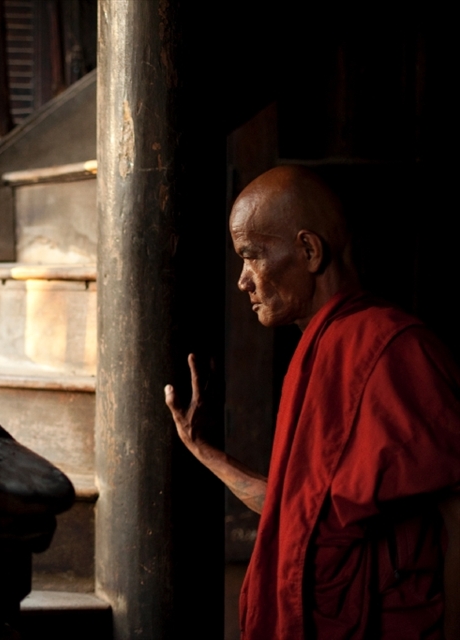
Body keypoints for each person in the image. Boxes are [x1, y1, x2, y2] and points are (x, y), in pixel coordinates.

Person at [165, 166, 460, 639]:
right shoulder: (318, 353)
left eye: (252, 256)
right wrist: (205, 451)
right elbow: (300, 514)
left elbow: (454, 509)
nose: (243, 280)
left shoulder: (394, 349)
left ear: (308, 250)